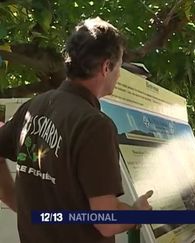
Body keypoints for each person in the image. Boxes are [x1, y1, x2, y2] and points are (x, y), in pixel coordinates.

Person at [0, 17, 152, 243]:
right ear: (106, 67)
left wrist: (17, 202)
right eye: (119, 66)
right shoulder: (95, 125)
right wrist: (137, 213)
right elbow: (106, 221)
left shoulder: (33, 106)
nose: (119, 75)